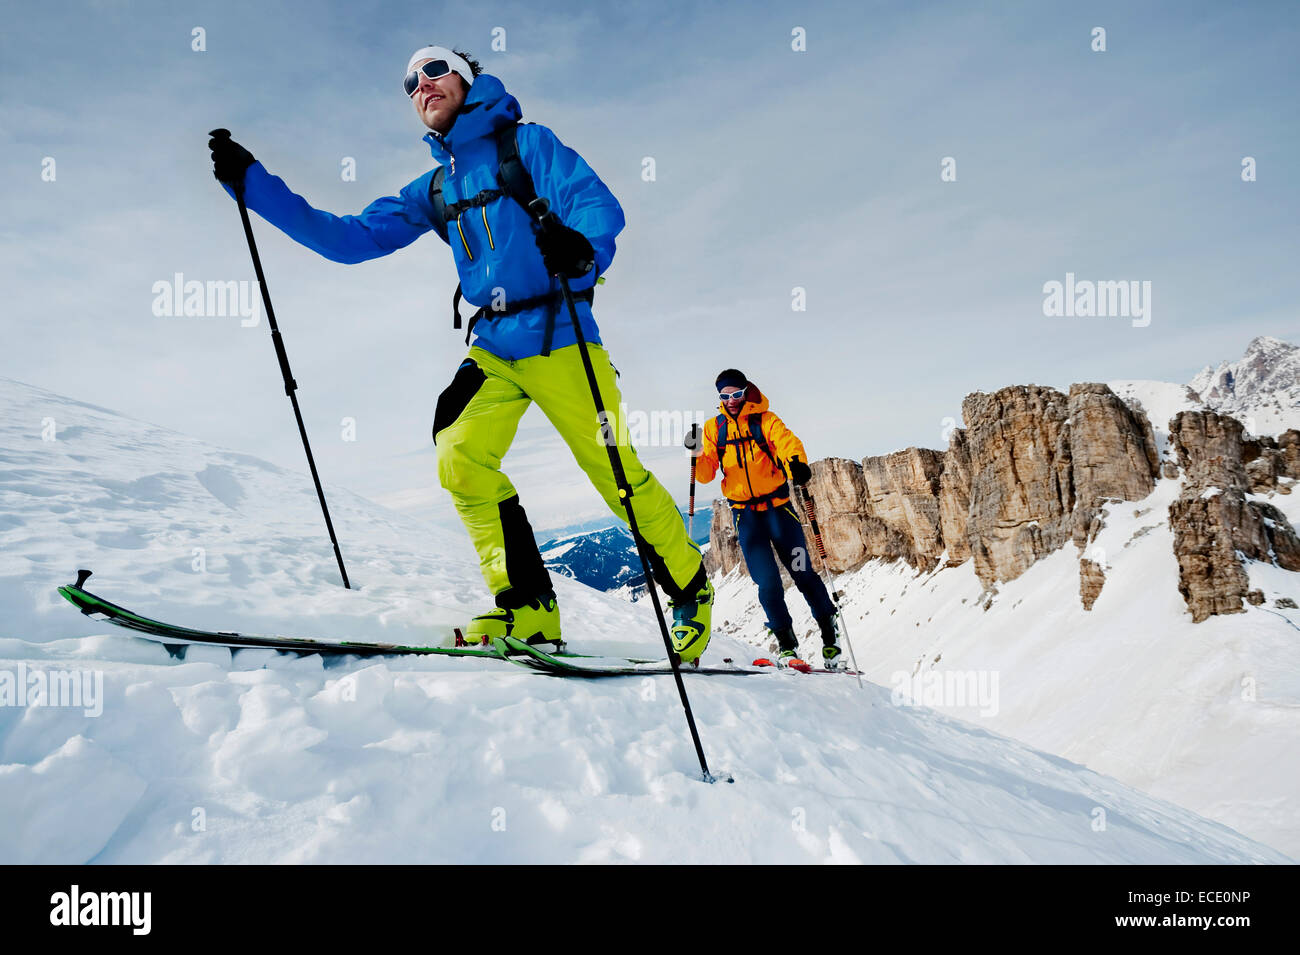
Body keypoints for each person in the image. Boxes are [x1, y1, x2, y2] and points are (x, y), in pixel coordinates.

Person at [208, 46, 713, 661]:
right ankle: (527, 609)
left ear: (466, 80)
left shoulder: (527, 145)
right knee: (460, 451)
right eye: (409, 83)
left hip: (562, 334)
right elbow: (348, 239)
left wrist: (583, 249)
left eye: (433, 70)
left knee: (612, 471)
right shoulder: (435, 186)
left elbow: (596, 205)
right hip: (494, 345)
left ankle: (690, 589)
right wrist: (253, 185)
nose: (421, 86)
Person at [690, 369, 843, 666]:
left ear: (746, 391)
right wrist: (695, 452)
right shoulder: (714, 428)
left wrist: (796, 463)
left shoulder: (766, 420)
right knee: (767, 583)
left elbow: (787, 443)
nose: (731, 400)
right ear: (719, 397)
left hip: (779, 512)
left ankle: (829, 634)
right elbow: (707, 472)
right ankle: (787, 646)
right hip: (747, 519)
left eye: (736, 394)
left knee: (802, 573)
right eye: (725, 396)